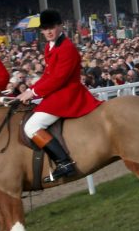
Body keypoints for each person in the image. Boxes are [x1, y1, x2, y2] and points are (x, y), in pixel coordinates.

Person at [15, 9, 100, 181]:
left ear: (60, 26)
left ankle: (64, 162)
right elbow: (48, 75)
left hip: (67, 94)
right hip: (58, 93)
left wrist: (33, 92)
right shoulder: (50, 46)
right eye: (44, 29)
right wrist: (28, 91)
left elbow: (58, 79)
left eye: (51, 27)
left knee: (30, 127)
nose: (47, 31)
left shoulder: (67, 47)